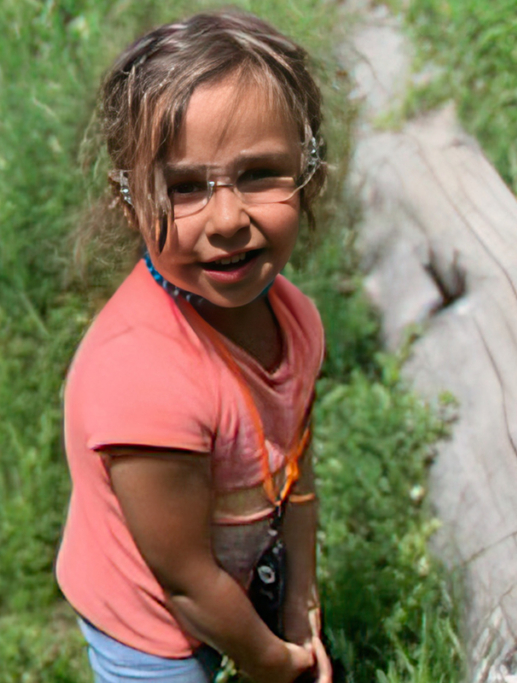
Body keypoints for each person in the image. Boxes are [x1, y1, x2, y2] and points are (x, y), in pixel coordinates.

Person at [55, 9, 332, 683]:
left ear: (309, 169)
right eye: (183, 188)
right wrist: (273, 662)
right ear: (128, 203)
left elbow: (296, 476)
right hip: (150, 618)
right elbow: (180, 580)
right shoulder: (143, 379)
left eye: (260, 173)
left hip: (229, 576)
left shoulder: (295, 320)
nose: (229, 220)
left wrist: (299, 608)